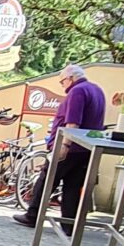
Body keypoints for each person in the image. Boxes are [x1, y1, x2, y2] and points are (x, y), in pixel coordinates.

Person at [12, 63, 106, 234]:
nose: (62, 86)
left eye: (62, 81)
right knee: (72, 186)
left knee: (47, 179)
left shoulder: (77, 91)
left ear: (71, 78)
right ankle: (68, 225)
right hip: (87, 149)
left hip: (71, 147)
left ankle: (32, 215)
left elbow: (73, 122)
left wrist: (64, 146)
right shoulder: (97, 90)